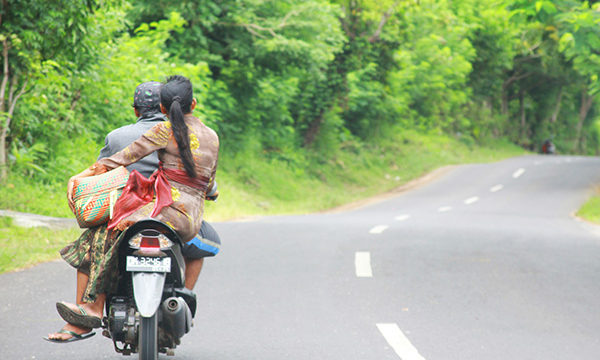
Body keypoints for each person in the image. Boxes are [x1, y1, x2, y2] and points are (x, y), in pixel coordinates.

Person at [46, 75, 220, 342]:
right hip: (191, 221)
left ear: (164, 109)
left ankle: (91, 307)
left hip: (163, 210)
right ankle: (182, 298)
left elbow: (121, 159)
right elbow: (210, 185)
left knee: (108, 232)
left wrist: (79, 179)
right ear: (193, 104)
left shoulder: (163, 131)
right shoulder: (212, 136)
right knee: (205, 244)